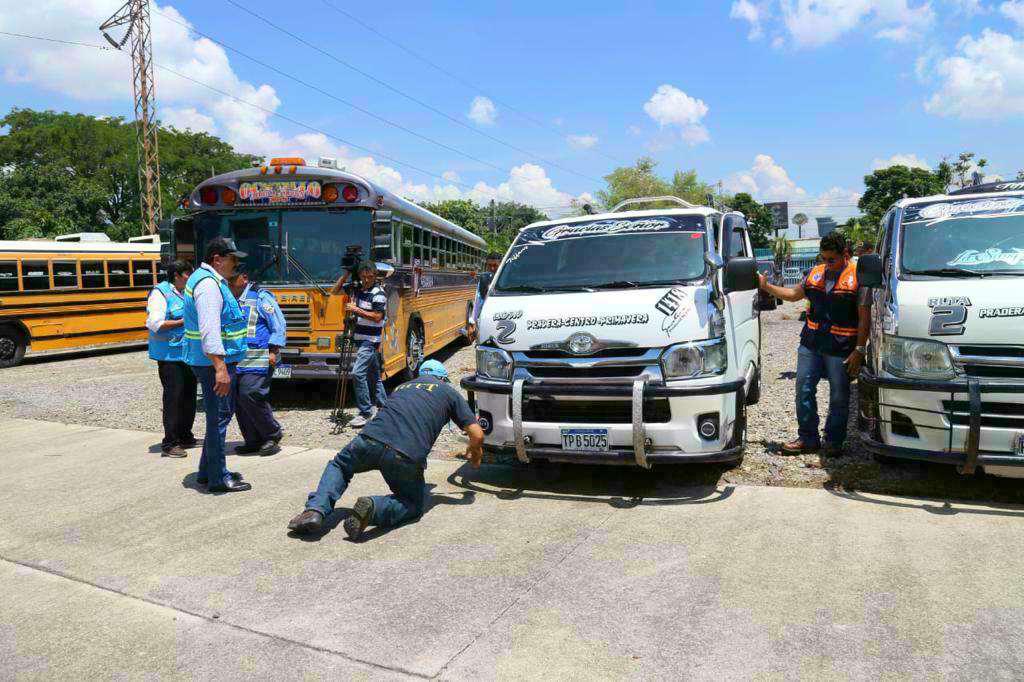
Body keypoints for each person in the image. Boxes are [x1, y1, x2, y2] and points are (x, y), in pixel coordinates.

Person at [287, 360, 484, 540]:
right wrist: (474, 459)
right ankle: (374, 508)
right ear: (443, 378)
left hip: (369, 439)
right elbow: (477, 435)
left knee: (340, 465)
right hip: (405, 454)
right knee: (412, 504)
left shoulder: (401, 388)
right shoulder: (448, 392)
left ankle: (315, 510)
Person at [757, 232, 870, 456]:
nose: (827, 264)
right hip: (811, 343)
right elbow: (791, 294)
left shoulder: (858, 277)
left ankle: (834, 442)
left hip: (841, 347)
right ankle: (808, 438)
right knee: (803, 390)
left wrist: (860, 349)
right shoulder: (815, 273)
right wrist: (766, 286)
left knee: (839, 395)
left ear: (845, 255)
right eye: (823, 258)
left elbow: (865, 317)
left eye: (831, 259)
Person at [182, 236, 252, 493]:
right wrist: (220, 368)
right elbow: (209, 330)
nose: (235, 264)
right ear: (217, 259)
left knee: (217, 417)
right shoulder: (209, 286)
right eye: (232, 259)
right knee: (219, 419)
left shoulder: (206, 280)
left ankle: (206, 471)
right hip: (213, 364)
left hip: (209, 362)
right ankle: (218, 478)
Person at [227, 267, 286, 456]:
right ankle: (252, 439)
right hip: (236, 357)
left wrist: (273, 350)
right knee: (238, 398)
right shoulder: (228, 298)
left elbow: (278, 324)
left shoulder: (260, 297)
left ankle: (272, 434)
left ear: (244, 278)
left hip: (260, 355)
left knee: (250, 393)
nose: (228, 282)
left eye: (232, 279)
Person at [146, 259, 197, 458]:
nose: (191, 279)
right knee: (173, 397)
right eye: (188, 275)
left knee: (188, 396)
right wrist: (182, 322)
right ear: (177, 275)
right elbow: (155, 323)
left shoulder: (186, 293)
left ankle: (185, 435)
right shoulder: (160, 293)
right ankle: (170, 442)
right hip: (169, 356)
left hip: (188, 354)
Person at [330, 261, 387, 428]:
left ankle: (365, 411)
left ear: (375, 276)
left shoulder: (379, 293)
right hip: (360, 339)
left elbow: (378, 317)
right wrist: (347, 274)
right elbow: (334, 291)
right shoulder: (357, 289)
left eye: (370, 277)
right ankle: (384, 407)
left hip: (370, 341)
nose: (367, 280)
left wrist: (357, 310)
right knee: (373, 376)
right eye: (364, 277)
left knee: (357, 373)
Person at [467, 252, 501, 340]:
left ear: (501, 265)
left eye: (495, 265)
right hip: (487, 320)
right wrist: (472, 322)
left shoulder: (506, 279)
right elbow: (478, 301)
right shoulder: (483, 279)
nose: (492, 268)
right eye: (489, 265)